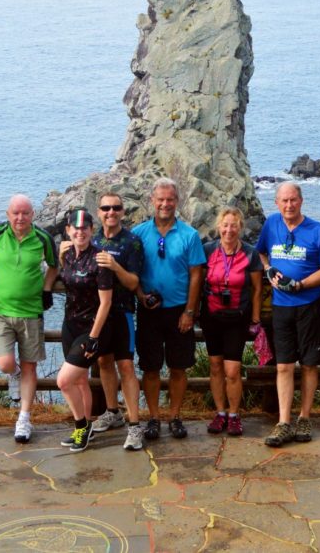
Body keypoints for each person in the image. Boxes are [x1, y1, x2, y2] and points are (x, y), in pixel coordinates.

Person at [256, 181, 320, 447]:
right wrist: (268, 269)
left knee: (310, 364)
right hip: (281, 306)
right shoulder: (271, 225)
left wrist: (301, 284)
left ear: (301, 201)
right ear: (276, 203)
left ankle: (304, 417)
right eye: (284, 201)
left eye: (293, 200)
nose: (289, 205)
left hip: (310, 304)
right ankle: (283, 422)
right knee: (283, 365)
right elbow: (262, 253)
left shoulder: (317, 229)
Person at [0, 194, 58, 444]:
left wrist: (47, 290)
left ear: (32, 214)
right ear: (7, 214)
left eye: (25, 213)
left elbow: (54, 266)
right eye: (16, 213)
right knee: (5, 364)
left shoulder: (43, 238)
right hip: (1, 310)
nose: (20, 217)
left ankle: (24, 418)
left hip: (31, 312)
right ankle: (13, 375)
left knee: (30, 366)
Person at [132, 178, 206, 441]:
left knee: (178, 367)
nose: (165, 204)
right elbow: (132, 272)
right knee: (150, 368)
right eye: (160, 199)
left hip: (179, 312)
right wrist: (140, 296)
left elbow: (197, 275)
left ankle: (175, 416)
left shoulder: (190, 235)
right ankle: (153, 417)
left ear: (177, 201)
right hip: (149, 311)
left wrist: (190, 312)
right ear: (152, 200)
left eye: (170, 199)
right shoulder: (138, 234)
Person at [89, 192, 146, 452]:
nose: (111, 212)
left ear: (123, 212)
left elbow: (134, 283)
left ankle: (134, 425)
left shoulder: (132, 242)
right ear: (99, 212)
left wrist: (114, 266)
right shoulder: (93, 239)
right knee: (103, 361)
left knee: (126, 366)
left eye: (116, 208)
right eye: (105, 208)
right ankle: (112, 411)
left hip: (123, 312)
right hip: (100, 314)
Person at [201, 207, 263, 437]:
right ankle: (220, 413)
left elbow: (257, 289)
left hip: (237, 318)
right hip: (211, 317)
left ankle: (235, 415)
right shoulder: (207, 250)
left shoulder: (250, 253)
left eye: (234, 225)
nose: (229, 230)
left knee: (233, 370)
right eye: (225, 225)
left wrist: (255, 318)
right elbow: (196, 280)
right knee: (215, 367)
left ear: (240, 228)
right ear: (218, 227)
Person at [56, 208, 113, 452]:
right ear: (68, 230)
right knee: (79, 381)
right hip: (70, 324)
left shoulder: (100, 259)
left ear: (92, 230)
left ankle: (81, 425)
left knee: (63, 381)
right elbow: (63, 276)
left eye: (85, 228)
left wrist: (93, 337)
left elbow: (106, 302)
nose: (80, 232)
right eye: (75, 228)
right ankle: (85, 428)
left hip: (91, 327)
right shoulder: (67, 254)